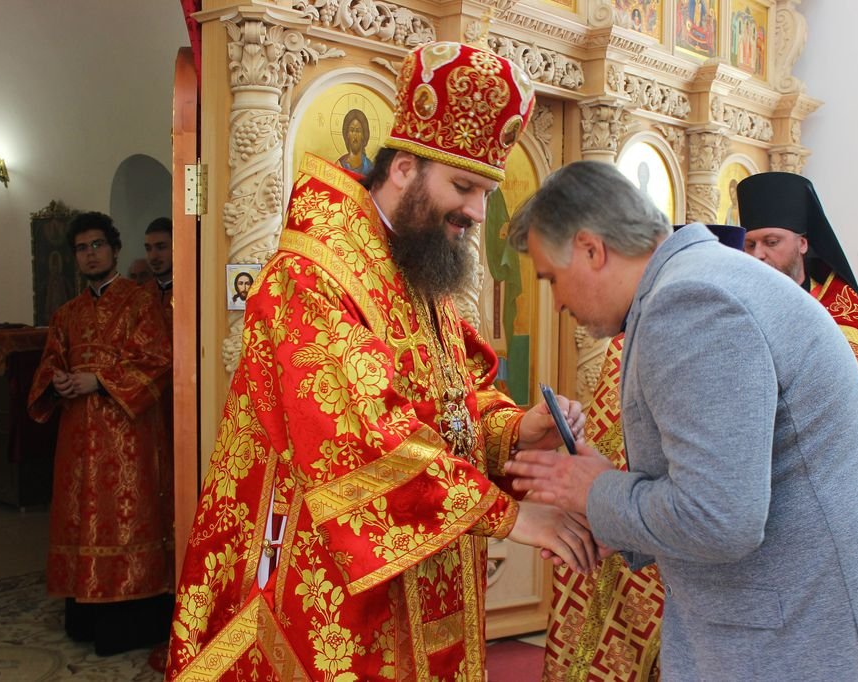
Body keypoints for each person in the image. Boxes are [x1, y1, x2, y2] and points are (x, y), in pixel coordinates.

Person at [166, 41, 596, 680]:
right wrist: (511, 516)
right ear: (403, 169)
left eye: (486, 192)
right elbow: (360, 438)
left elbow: (450, 402)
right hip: (329, 581)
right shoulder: (312, 276)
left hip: (428, 566)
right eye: (464, 187)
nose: (477, 213)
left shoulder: (416, 265)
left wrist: (512, 429)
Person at [502, 160, 858, 680]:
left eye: (552, 278)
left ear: (592, 249)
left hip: (798, 647)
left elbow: (720, 520)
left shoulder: (691, 302)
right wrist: (611, 516)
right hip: (791, 635)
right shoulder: (703, 279)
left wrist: (597, 493)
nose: (557, 302)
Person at [543, 224, 746, 680]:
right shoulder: (633, 343)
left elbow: (721, 502)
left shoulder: (721, 335)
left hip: (710, 566)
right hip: (644, 539)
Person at [28, 211, 175, 656]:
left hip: (127, 435)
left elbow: (157, 358)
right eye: (81, 248)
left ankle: (131, 620)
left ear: (113, 249)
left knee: (125, 517)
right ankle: (84, 616)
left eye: (97, 245)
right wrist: (58, 381)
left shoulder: (141, 302)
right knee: (80, 517)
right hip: (77, 435)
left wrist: (98, 381)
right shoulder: (66, 313)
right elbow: (50, 364)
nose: (90, 255)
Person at [737, 171, 858, 498]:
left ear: (802, 243)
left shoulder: (842, 320)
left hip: (827, 485)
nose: (758, 254)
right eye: (749, 244)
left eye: (771, 242)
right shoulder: (734, 312)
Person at [143, 217, 174, 330]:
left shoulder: (192, 293)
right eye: (148, 249)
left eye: (161, 247)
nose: (153, 256)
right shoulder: (141, 295)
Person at [336, 108, 374, 175]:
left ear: (363, 135)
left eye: (358, 131)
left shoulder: (369, 167)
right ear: (347, 134)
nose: (355, 135)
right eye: (352, 130)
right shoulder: (340, 165)